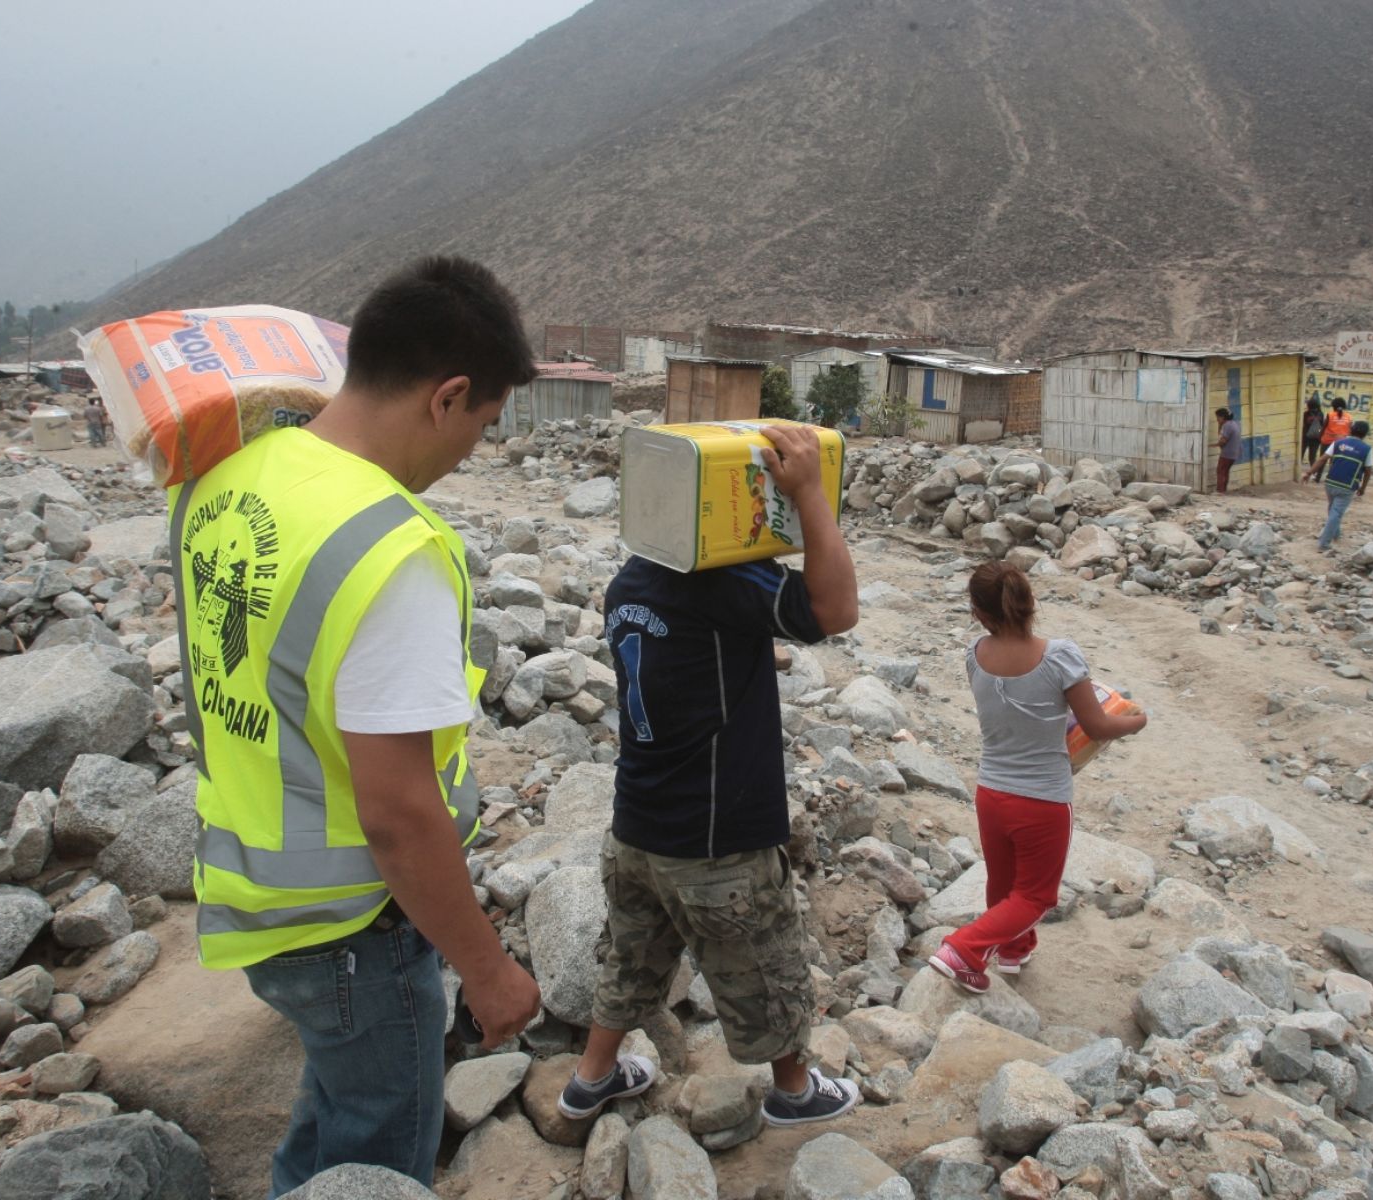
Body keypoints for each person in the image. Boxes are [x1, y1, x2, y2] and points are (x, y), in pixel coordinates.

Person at [171, 256, 543, 1195]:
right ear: (447, 396)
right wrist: (490, 974)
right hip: (353, 925)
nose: (471, 453)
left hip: (257, 891)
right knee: (378, 1150)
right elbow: (400, 814)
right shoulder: (390, 550)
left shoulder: (231, 473)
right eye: (483, 426)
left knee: (335, 1112)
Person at [558, 423, 863, 1131]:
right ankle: (793, 1091)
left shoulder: (628, 581)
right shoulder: (727, 583)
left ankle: (589, 1079)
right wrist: (811, 493)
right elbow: (837, 609)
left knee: (633, 956)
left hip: (637, 826)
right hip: (718, 836)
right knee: (763, 963)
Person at [930, 562, 1146, 994]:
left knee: (1004, 881)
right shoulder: (1060, 657)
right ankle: (963, 949)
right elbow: (1099, 726)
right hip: (1043, 798)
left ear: (977, 612)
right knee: (1036, 895)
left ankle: (1013, 950)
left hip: (991, 791)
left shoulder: (975, 655)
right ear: (1030, 603)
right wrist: (1138, 721)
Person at [1306, 418, 1373, 552]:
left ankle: (1336, 534)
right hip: (1347, 486)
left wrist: (1309, 473)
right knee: (1336, 513)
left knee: (1333, 510)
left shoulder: (1338, 443)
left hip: (1330, 482)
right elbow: (1368, 471)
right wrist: (1363, 488)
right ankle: (1324, 544)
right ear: (1365, 434)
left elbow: (1322, 459)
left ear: (1350, 430)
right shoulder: (1366, 449)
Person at [1215, 406, 1241, 494]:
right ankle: (1223, 490)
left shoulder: (1227, 426)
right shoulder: (1233, 424)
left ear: (1222, 417)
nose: (1217, 420)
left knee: (1221, 471)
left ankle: (1220, 491)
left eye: (1218, 417)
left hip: (1227, 453)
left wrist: (1214, 445)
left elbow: (1223, 440)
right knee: (1225, 471)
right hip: (1233, 453)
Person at [1302, 398, 1326, 465]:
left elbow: (1303, 424)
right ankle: (1313, 473)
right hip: (1316, 438)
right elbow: (1322, 425)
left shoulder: (1305, 414)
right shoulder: (1321, 414)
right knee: (1312, 458)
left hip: (1305, 437)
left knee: (1300, 455)